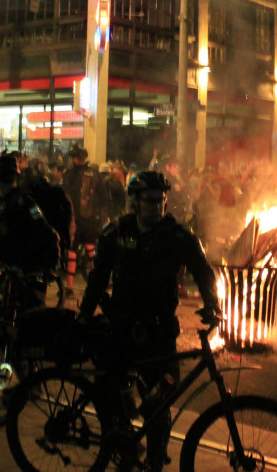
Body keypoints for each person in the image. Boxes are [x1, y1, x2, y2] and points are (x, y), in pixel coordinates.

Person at [78, 170, 220, 472]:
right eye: (150, 201)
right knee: (110, 390)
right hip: (121, 326)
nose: (157, 206)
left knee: (160, 402)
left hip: (158, 331)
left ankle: (155, 460)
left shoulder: (178, 236)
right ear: (135, 202)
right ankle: (121, 442)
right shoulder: (115, 233)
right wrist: (83, 315)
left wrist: (212, 303)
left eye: (161, 200)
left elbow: (203, 270)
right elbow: (98, 278)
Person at [0, 154, 60, 278]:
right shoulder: (2, 203)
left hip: (29, 264)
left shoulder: (24, 201)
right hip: (11, 261)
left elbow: (43, 227)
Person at [62, 145, 106, 291]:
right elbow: (104, 196)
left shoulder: (69, 175)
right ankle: (98, 284)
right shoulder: (95, 174)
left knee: (72, 253)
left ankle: (69, 287)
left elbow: (66, 197)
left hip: (75, 219)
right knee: (90, 249)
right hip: (91, 219)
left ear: (75, 159)